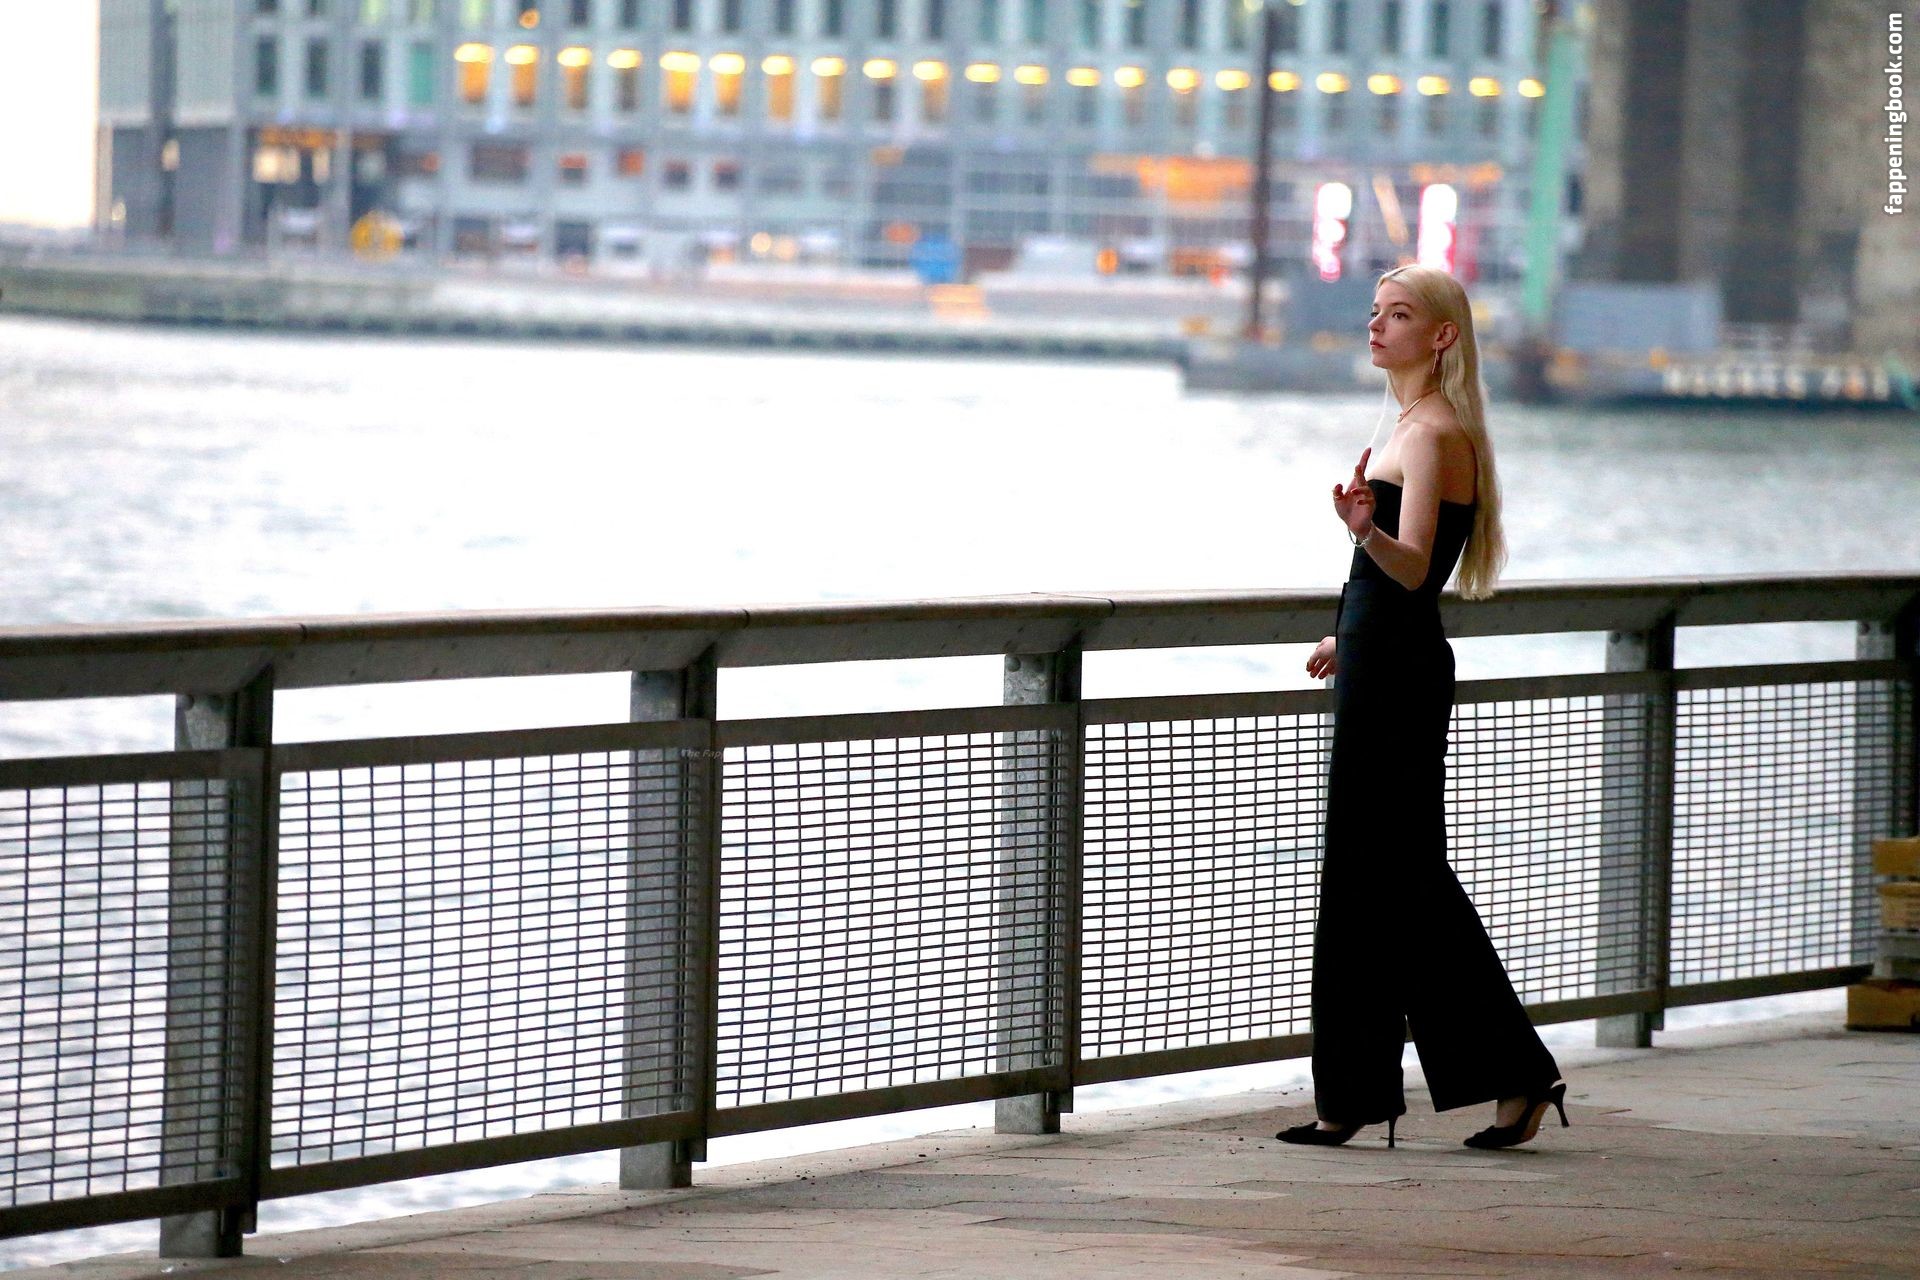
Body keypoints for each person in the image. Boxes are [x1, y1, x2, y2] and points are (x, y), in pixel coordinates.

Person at [1276, 264, 1569, 1151]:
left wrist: (1365, 529)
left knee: (1389, 881)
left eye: (1398, 315)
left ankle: (1428, 1084)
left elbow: (1412, 569)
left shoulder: (1436, 431)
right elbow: (1391, 585)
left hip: (1399, 679)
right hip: (1382, 663)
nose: (1377, 325)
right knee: (1379, 882)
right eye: (1375, 311)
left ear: (1441, 335)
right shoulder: (1412, 426)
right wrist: (1348, 634)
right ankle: (1371, 1092)